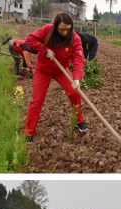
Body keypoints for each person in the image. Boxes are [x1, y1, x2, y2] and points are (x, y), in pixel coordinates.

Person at [23, 12, 86, 143]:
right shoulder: (47, 30)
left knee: (75, 92)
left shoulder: (75, 38)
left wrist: (77, 78)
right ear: (56, 26)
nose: (64, 32)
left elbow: (78, 59)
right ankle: (29, 131)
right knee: (37, 100)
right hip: (43, 70)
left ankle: (78, 121)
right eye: (61, 29)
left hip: (60, 70)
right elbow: (29, 40)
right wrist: (44, 49)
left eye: (68, 29)